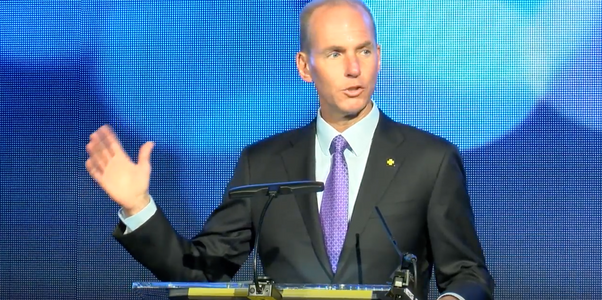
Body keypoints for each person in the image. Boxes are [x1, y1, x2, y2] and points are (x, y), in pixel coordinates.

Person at [85, 0, 494, 299]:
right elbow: (204, 271)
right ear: (304, 66)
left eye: (364, 51)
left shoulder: (430, 159)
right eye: (335, 53)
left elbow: (468, 276)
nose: (354, 68)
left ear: (379, 58)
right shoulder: (262, 163)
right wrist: (139, 206)